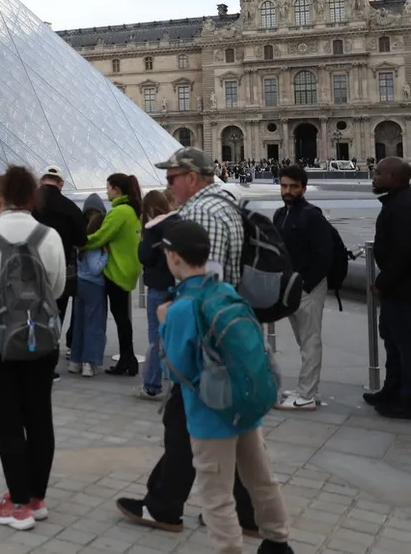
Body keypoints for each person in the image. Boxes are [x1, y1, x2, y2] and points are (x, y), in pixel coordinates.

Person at [118, 146, 256, 536]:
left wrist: (181, 329)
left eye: (172, 176)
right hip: (224, 330)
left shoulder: (199, 213)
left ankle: (165, 505)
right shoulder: (227, 205)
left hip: (204, 337)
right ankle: (246, 512)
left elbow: (202, 275)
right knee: (210, 423)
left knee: (182, 422)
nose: (167, 183)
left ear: (192, 177)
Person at [157, 220, 293, 554]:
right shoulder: (227, 292)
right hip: (244, 404)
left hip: (209, 414)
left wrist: (164, 324)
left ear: (174, 258)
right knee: (261, 478)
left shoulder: (181, 308)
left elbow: (177, 369)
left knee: (216, 496)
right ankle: (277, 541)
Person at [0, 165, 66, 531]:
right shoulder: (48, 236)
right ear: (32, 198)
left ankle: (17, 504)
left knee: (7, 422)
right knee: (39, 419)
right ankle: (36, 498)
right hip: (41, 339)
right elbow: (57, 287)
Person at [271, 165, 334, 412]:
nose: (287, 191)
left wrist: (307, 285)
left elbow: (324, 254)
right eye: (284, 186)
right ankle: (308, 388)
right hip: (291, 287)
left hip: (307, 287)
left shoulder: (312, 215)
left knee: (310, 341)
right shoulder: (279, 214)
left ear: (303, 188)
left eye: (293, 187)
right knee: (303, 340)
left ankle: (306, 395)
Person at [83, 174, 142, 376]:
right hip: (129, 268)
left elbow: (100, 236)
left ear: (116, 189)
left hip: (117, 271)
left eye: (108, 188)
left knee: (121, 319)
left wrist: (80, 242)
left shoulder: (119, 212)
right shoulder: (131, 210)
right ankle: (128, 359)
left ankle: (128, 359)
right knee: (123, 318)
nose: (106, 191)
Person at [367, 156, 411, 420]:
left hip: (403, 290)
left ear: (392, 178)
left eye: (379, 173)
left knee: (405, 346)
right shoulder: (398, 202)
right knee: (393, 342)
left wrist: (382, 283)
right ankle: (391, 389)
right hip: (397, 288)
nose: (375, 176)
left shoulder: (404, 207)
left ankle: (406, 401)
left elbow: (405, 252)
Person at [32, 166, 86, 366]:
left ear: (41, 181)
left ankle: (30, 357)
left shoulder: (28, 204)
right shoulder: (70, 207)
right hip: (60, 271)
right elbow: (82, 240)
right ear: (61, 183)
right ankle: (49, 364)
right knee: (56, 316)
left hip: (30, 269)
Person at [137, 189, 178, 399]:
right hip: (177, 286)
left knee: (156, 336)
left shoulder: (154, 228)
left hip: (158, 287)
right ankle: (176, 384)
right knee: (174, 336)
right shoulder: (178, 223)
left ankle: (152, 385)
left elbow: (144, 256)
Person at [68, 196, 109, 378]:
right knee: (94, 325)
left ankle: (75, 361)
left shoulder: (81, 239)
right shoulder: (96, 243)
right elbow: (95, 268)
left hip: (80, 285)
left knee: (79, 324)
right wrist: (106, 256)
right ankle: (89, 363)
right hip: (94, 286)